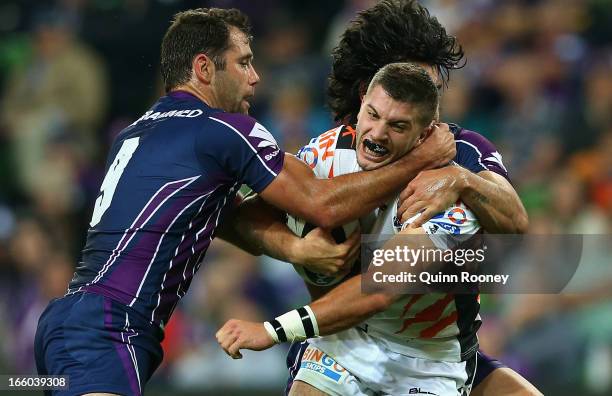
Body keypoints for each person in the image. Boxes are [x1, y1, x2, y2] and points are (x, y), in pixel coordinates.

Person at [33, 8, 456, 396]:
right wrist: (422, 157)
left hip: (71, 323)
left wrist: (293, 247)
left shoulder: (137, 131)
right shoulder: (225, 128)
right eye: (243, 62)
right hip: (110, 327)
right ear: (203, 68)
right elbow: (322, 205)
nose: (256, 77)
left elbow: (220, 215)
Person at [216, 1, 539, 395]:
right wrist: (294, 249)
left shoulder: (461, 157)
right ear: (368, 89)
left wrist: (462, 180)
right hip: (339, 343)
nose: (424, 92)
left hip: (437, 353)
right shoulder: (324, 156)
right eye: (405, 81)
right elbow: (233, 217)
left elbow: (514, 220)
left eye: (430, 86)